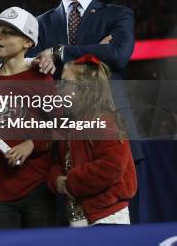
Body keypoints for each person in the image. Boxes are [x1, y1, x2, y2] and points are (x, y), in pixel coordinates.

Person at [28, 0, 143, 220]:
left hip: (111, 143)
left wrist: (59, 52)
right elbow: (35, 75)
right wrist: (96, 49)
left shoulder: (118, 15)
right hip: (63, 147)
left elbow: (118, 56)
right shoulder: (39, 24)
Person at [0, 7, 55, 229]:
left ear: (28, 42)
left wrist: (32, 143)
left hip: (38, 185)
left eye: (8, 32)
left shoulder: (41, 80)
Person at [47, 54, 137, 226]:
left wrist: (71, 182)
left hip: (108, 216)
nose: (59, 88)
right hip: (79, 216)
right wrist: (56, 179)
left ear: (85, 89)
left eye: (65, 83)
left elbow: (111, 166)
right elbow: (59, 161)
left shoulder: (106, 123)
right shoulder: (68, 125)